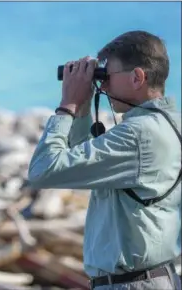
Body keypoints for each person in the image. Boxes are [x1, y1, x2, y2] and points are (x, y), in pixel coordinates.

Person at [28, 30, 181, 289]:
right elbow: (83, 167)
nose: (103, 85)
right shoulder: (165, 125)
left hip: (133, 284)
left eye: (107, 76)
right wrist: (84, 107)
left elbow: (44, 170)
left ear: (137, 77)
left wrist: (67, 106)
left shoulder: (139, 134)